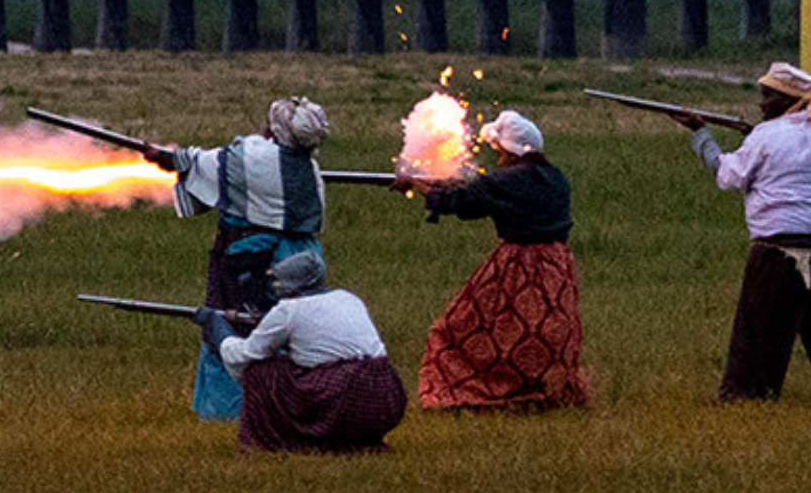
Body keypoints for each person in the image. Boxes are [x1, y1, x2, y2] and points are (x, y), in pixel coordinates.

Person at [697, 60, 811, 405]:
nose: (761, 104)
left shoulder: (766, 136)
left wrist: (701, 135)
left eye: (768, 96)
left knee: (759, 338)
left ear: (787, 100)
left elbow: (727, 176)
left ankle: (746, 403)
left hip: (777, 255)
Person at [145, 96, 332, 423]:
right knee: (291, 335)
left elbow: (203, 163)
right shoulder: (310, 169)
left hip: (250, 259)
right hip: (301, 261)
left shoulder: (253, 160)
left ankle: (227, 414)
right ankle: (291, 409)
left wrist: (169, 158)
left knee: (229, 329)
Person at [413, 109, 590, 410]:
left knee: (455, 330)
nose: (497, 157)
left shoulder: (506, 180)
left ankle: (485, 393)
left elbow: (463, 204)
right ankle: (545, 394)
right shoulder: (555, 177)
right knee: (545, 335)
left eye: (499, 151)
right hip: (557, 269)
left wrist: (423, 191)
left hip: (517, 266)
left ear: (509, 151)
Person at [215, 248, 407, 452]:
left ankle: (267, 443)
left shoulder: (289, 310)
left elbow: (246, 354)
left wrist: (220, 336)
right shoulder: (348, 298)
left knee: (259, 374)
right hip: (386, 395)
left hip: (342, 397)